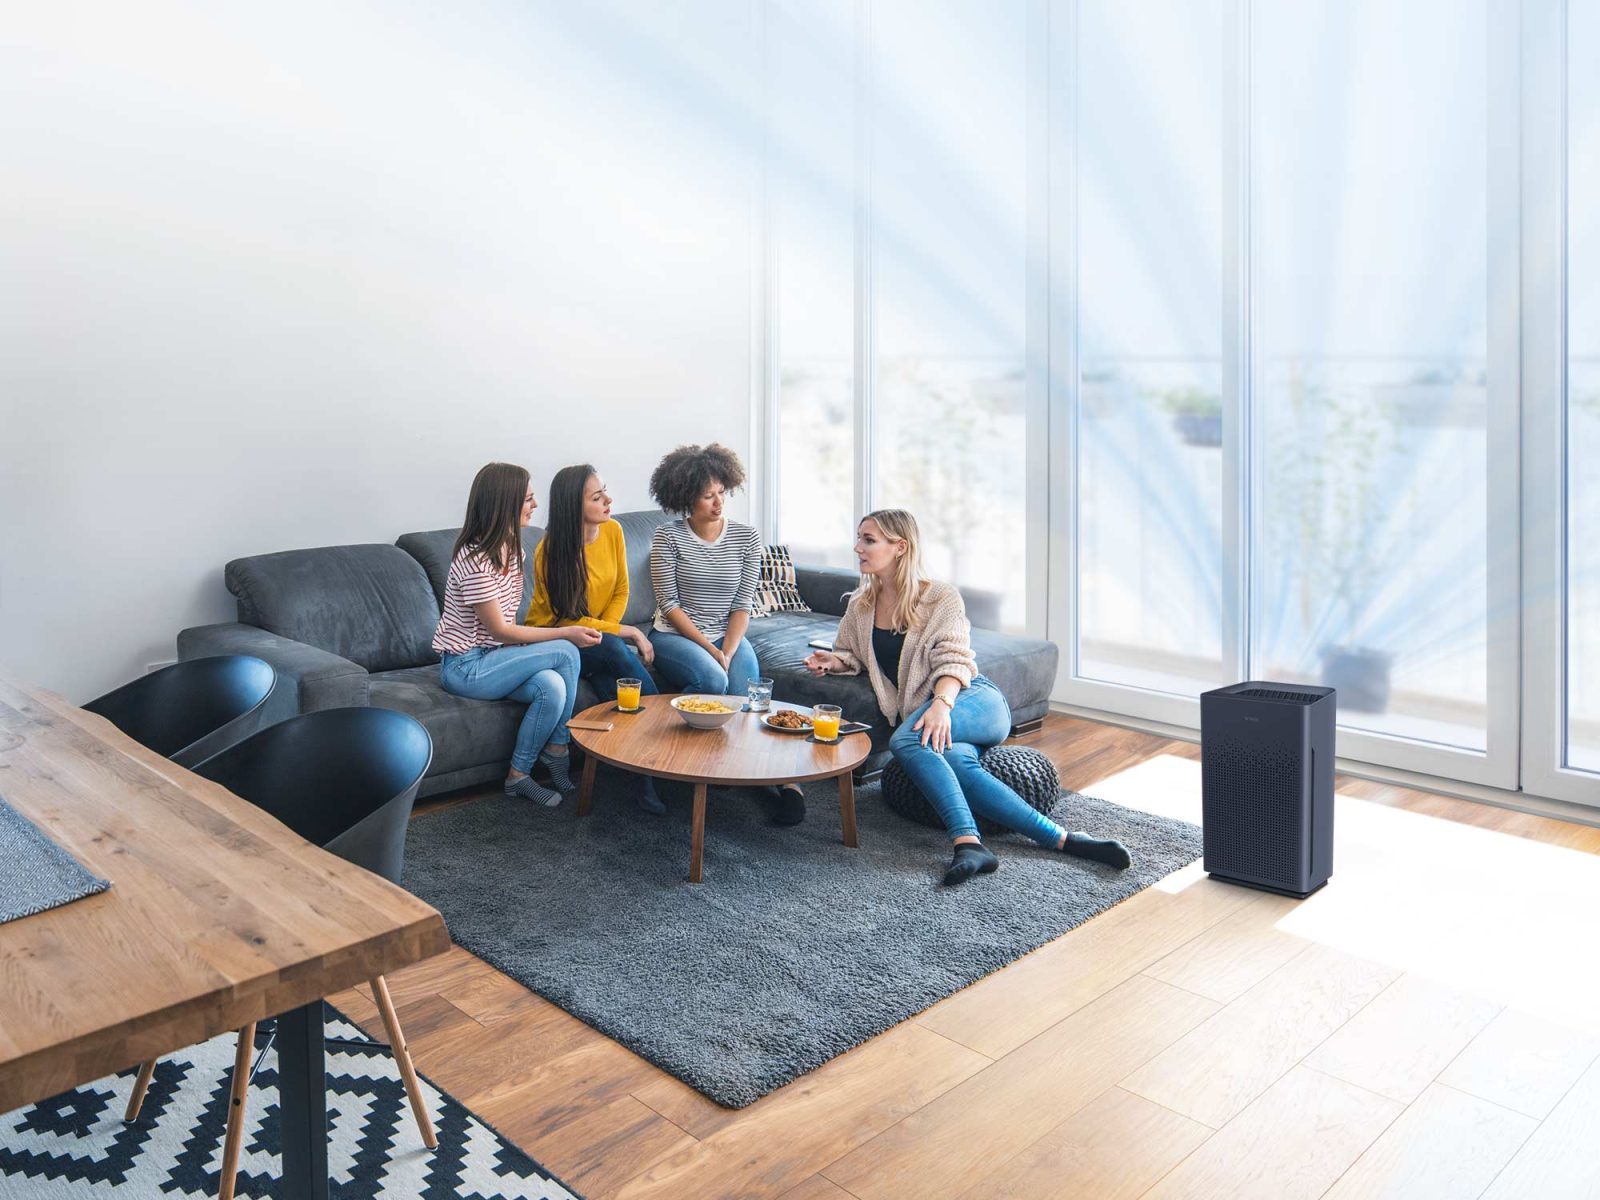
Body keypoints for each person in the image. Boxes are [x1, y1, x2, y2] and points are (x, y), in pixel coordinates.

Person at [804, 509, 1133, 885]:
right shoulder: (861, 605)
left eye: (868, 539)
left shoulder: (940, 597)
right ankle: (1064, 839)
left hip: (973, 701)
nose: (856, 547)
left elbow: (955, 661)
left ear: (900, 547)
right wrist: (834, 661)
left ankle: (966, 842)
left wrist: (942, 706)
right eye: (858, 537)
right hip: (933, 710)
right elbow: (854, 653)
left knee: (908, 740)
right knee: (957, 764)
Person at [647, 443, 804, 823]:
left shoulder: (747, 538)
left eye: (722, 493)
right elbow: (670, 605)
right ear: (686, 498)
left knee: (753, 700)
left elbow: (741, 605)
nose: (718, 503)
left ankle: (781, 783)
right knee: (711, 679)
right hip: (675, 635)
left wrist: (729, 649)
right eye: (707, 496)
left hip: (728, 634)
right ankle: (673, 767)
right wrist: (711, 650)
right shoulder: (667, 538)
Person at [432, 462, 600, 807]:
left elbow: (505, 630)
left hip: (493, 657)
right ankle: (557, 749)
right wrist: (564, 633)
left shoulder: (513, 550)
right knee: (568, 651)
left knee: (551, 686)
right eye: (528, 499)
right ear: (503, 504)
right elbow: (500, 629)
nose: (535, 506)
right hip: (465, 668)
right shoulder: (475, 560)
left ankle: (517, 776)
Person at [526, 463, 666, 814]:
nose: (608, 500)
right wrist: (628, 631)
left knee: (612, 678)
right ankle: (664, 731)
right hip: (554, 639)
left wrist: (608, 629)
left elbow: (621, 589)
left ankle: (643, 777)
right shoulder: (550, 550)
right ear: (575, 506)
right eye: (597, 496)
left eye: (605, 491)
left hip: (596, 639)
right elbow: (568, 619)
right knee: (616, 650)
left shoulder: (614, 531)